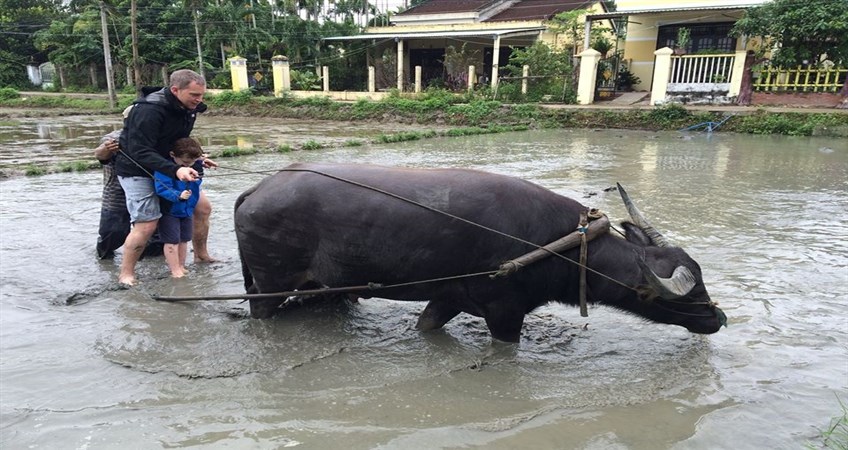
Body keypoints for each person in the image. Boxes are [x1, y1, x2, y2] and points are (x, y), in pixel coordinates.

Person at [115, 69, 215, 286]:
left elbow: (178, 141)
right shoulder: (149, 110)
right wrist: (175, 170)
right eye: (194, 95)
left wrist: (197, 158)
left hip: (171, 165)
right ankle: (126, 273)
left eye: (202, 95)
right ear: (175, 90)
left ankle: (201, 255)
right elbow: (138, 150)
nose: (199, 100)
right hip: (137, 169)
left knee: (203, 207)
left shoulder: (188, 109)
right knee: (147, 224)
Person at [154, 138, 204, 278]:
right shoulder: (165, 169)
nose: (188, 165)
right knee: (171, 242)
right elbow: (161, 188)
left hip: (187, 210)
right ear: (172, 155)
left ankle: (181, 266)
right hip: (170, 211)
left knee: (184, 239)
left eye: (192, 162)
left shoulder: (195, 167)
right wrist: (178, 195)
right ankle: (174, 269)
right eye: (185, 162)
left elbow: (197, 182)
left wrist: (197, 176)